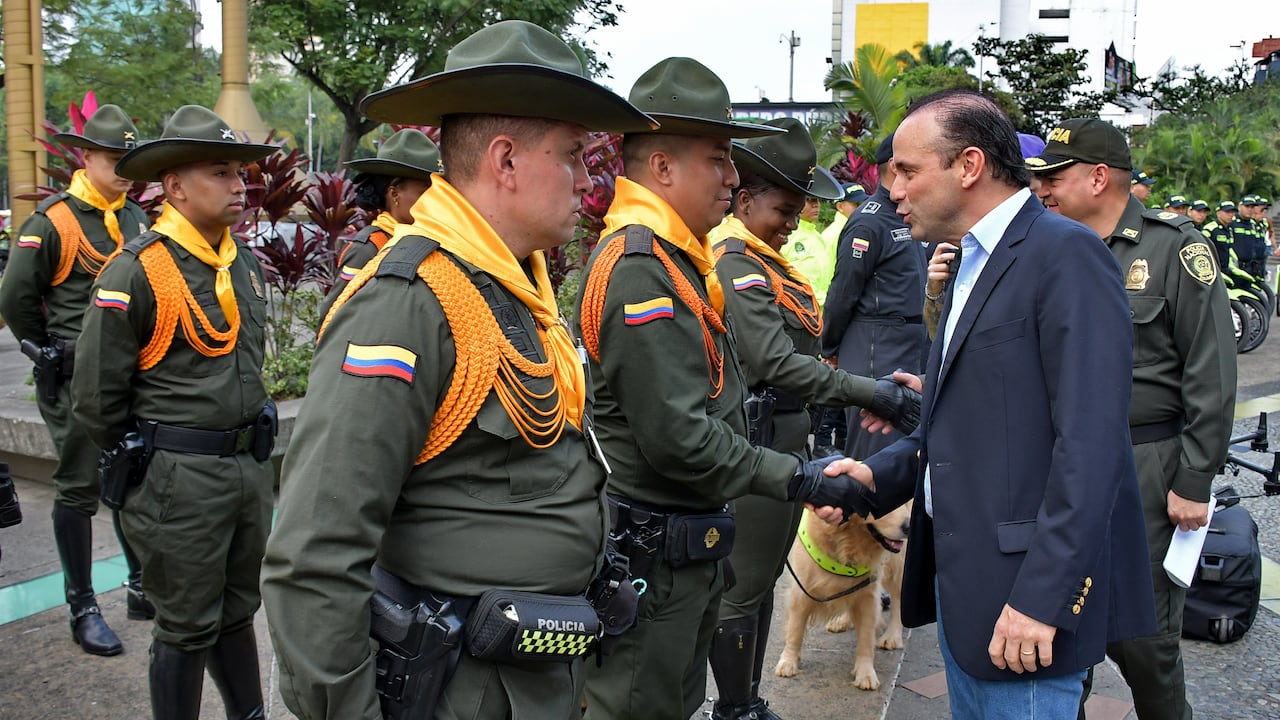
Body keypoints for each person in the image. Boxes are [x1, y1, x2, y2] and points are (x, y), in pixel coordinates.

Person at [259, 21, 661, 720]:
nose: (588, 178)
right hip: (465, 688)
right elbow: (315, 552)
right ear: (505, 161)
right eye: (571, 155)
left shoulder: (510, 289)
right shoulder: (408, 304)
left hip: (537, 671)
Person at [829, 91, 1157, 720]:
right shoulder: (967, 264)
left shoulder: (1064, 255)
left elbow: (1090, 447)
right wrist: (878, 473)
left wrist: (1042, 598)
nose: (891, 189)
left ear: (969, 165)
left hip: (1024, 601)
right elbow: (970, 420)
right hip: (970, 582)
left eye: (905, 170)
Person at [574, 57, 880, 720]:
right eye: (718, 158)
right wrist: (801, 479)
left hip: (684, 543)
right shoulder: (639, 270)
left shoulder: (674, 260)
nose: (734, 177)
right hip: (654, 551)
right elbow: (678, 437)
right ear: (662, 168)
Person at [707, 117, 919, 720]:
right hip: (756, 437)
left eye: (801, 207)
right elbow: (775, 361)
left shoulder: (765, 259)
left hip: (785, 437)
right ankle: (733, 707)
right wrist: (870, 392)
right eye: (783, 207)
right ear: (745, 200)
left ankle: (748, 698)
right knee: (746, 586)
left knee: (768, 577)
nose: (795, 221)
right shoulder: (735, 261)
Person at [72, 105, 278, 719]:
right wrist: (155, 457)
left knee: (238, 610)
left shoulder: (237, 261)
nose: (240, 186)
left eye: (241, 173)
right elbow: (95, 399)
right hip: (178, 479)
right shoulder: (135, 271)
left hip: (246, 468)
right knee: (186, 625)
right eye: (222, 172)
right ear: (177, 186)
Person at [1027, 116, 1236, 720]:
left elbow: (1211, 372)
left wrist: (1194, 481)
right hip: (1063, 460)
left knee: (1144, 639)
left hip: (1144, 462)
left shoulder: (1174, 250)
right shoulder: (1048, 247)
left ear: (1098, 178)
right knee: (1061, 624)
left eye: (1054, 176)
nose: (1043, 188)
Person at [0, 104, 152, 657]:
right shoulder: (54, 220)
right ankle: (82, 604)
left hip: (128, 373)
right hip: (72, 376)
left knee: (131, 474)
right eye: (115, 161)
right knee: (80, 486)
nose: (124, 173)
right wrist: (46, 350)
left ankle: (139, 586)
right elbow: (16, 297)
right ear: (86, 158)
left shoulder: (135, 218)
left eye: (129, 163)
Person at [822, 133, 929, 462]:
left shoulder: (908, 213)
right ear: (894, 167)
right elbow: (844, 291)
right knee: (875, 450)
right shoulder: (869, 221)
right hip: (875, 344)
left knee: (907, 449)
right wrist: (831, 346)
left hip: (910, 342)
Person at [319, 128, 438, 317]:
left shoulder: (430, 243)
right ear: (394, 194)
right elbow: (332, 318)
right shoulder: (369, 248)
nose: (434, 200)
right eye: (425, 191)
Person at [811, 182, 871, 453]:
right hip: (821, 319)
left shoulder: (822, 234)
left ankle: (835, 444)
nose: (859, 209)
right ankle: (823, 443)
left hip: (831, 318)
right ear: (840, 206)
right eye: (854, 204)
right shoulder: (841, 233)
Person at [779, 194, 833, 306]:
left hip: (823, 311)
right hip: (799, 308)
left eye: (818, 201)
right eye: (810, 201)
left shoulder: (818, 236)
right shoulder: (787, 235)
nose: (816, 206)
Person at [1202, 200, 1238, 270]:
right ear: (1218, 213)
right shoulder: (1210, 229)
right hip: (1214, 269)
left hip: (1226, 268)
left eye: (1232, 212)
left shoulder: (1229, 229)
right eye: (1227, 212)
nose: (1231, 215)